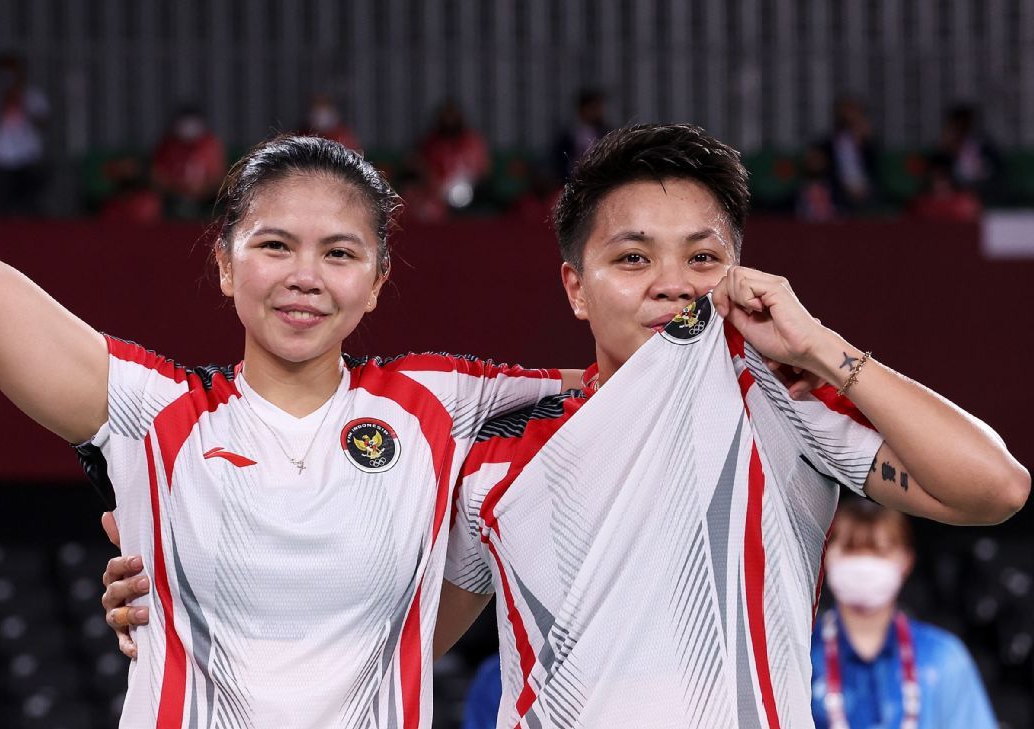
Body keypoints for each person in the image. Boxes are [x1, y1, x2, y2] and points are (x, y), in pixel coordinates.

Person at [0, 3, 581, 727]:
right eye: (274, 244)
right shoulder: (149, 412)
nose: (304, 276)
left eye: (340, 252)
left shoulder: (448, 399)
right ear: (223, 263)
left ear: (377, 280)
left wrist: (718, 286)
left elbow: (647, 376)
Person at [96, 124, 1029, 728]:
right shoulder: (495, 452)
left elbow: (995, 486)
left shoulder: (780, 404)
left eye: (702, 257)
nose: (671, 281)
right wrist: (191, 592)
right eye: (633, 257)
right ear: (576, 287)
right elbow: (386, 639)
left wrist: (823, 345)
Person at [812, 497, 998, 729]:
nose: (865, 565)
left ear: (906, 560)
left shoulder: (944, 657)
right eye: (851, 550)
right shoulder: (802, 654)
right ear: (825, 556)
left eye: (880, 551)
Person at [0, 52, 49, 215]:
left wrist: (20, 99)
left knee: (29, 205)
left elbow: (43, 121)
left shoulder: (32, 96)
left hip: (28, 156)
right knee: (0, 206)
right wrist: (3, 101)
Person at [414, 100, 490, 212]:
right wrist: (436, 187)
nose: (450, 122)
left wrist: (473, 182)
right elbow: (423, 168)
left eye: (453, 117)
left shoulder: (473, 141)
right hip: (439, 192)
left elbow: (484, 168)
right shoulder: (431, 144)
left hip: (472, 189)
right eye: (446, 118)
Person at [150, 106, 226, 217]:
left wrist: (201, 191)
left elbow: (218, 176)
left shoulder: (211, 144)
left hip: (206, 199)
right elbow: (157, 176)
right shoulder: (167, 146)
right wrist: (178, 189)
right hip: (172, 198)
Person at [818, 97, 879, 214]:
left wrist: (864, 143)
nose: (849, 116)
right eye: (845, 112)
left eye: (853, 112)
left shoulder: (867, 143)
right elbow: (825, 171)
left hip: (866, 189)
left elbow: (875, 170)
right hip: (839, 190)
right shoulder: (828, 143)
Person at [550, 88, 609, 183]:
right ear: (582, 109)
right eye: (593, 108)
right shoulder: (570, 135)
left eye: (599, 108)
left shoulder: (606, 133)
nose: (598, 112)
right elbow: (560, 162)